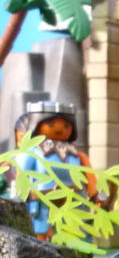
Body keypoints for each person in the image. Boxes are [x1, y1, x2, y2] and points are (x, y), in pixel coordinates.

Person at [15, 101, 98, 240]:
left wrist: (95, 195)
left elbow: (90, 177)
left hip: (74, 203)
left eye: (66, 126)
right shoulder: (32, 152)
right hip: (43, 204)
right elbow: (21, 175)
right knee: (41, 236)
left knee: (76, 234)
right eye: (51, 125)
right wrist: (23, 196)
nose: (59, 130)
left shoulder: (76, 155)